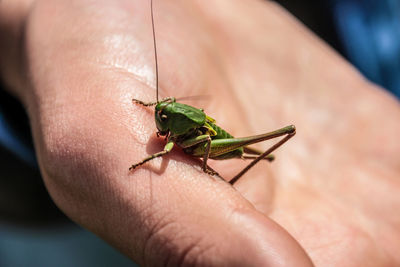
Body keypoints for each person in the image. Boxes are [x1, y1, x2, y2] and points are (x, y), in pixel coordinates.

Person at [1, 0, 399, 265]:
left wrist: (158, 158)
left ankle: (243, 166)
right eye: (161, 112)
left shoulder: (182, 132)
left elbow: (202, 138)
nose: (160, 118)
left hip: (220, 145)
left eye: (162, 113)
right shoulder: (167, 111)